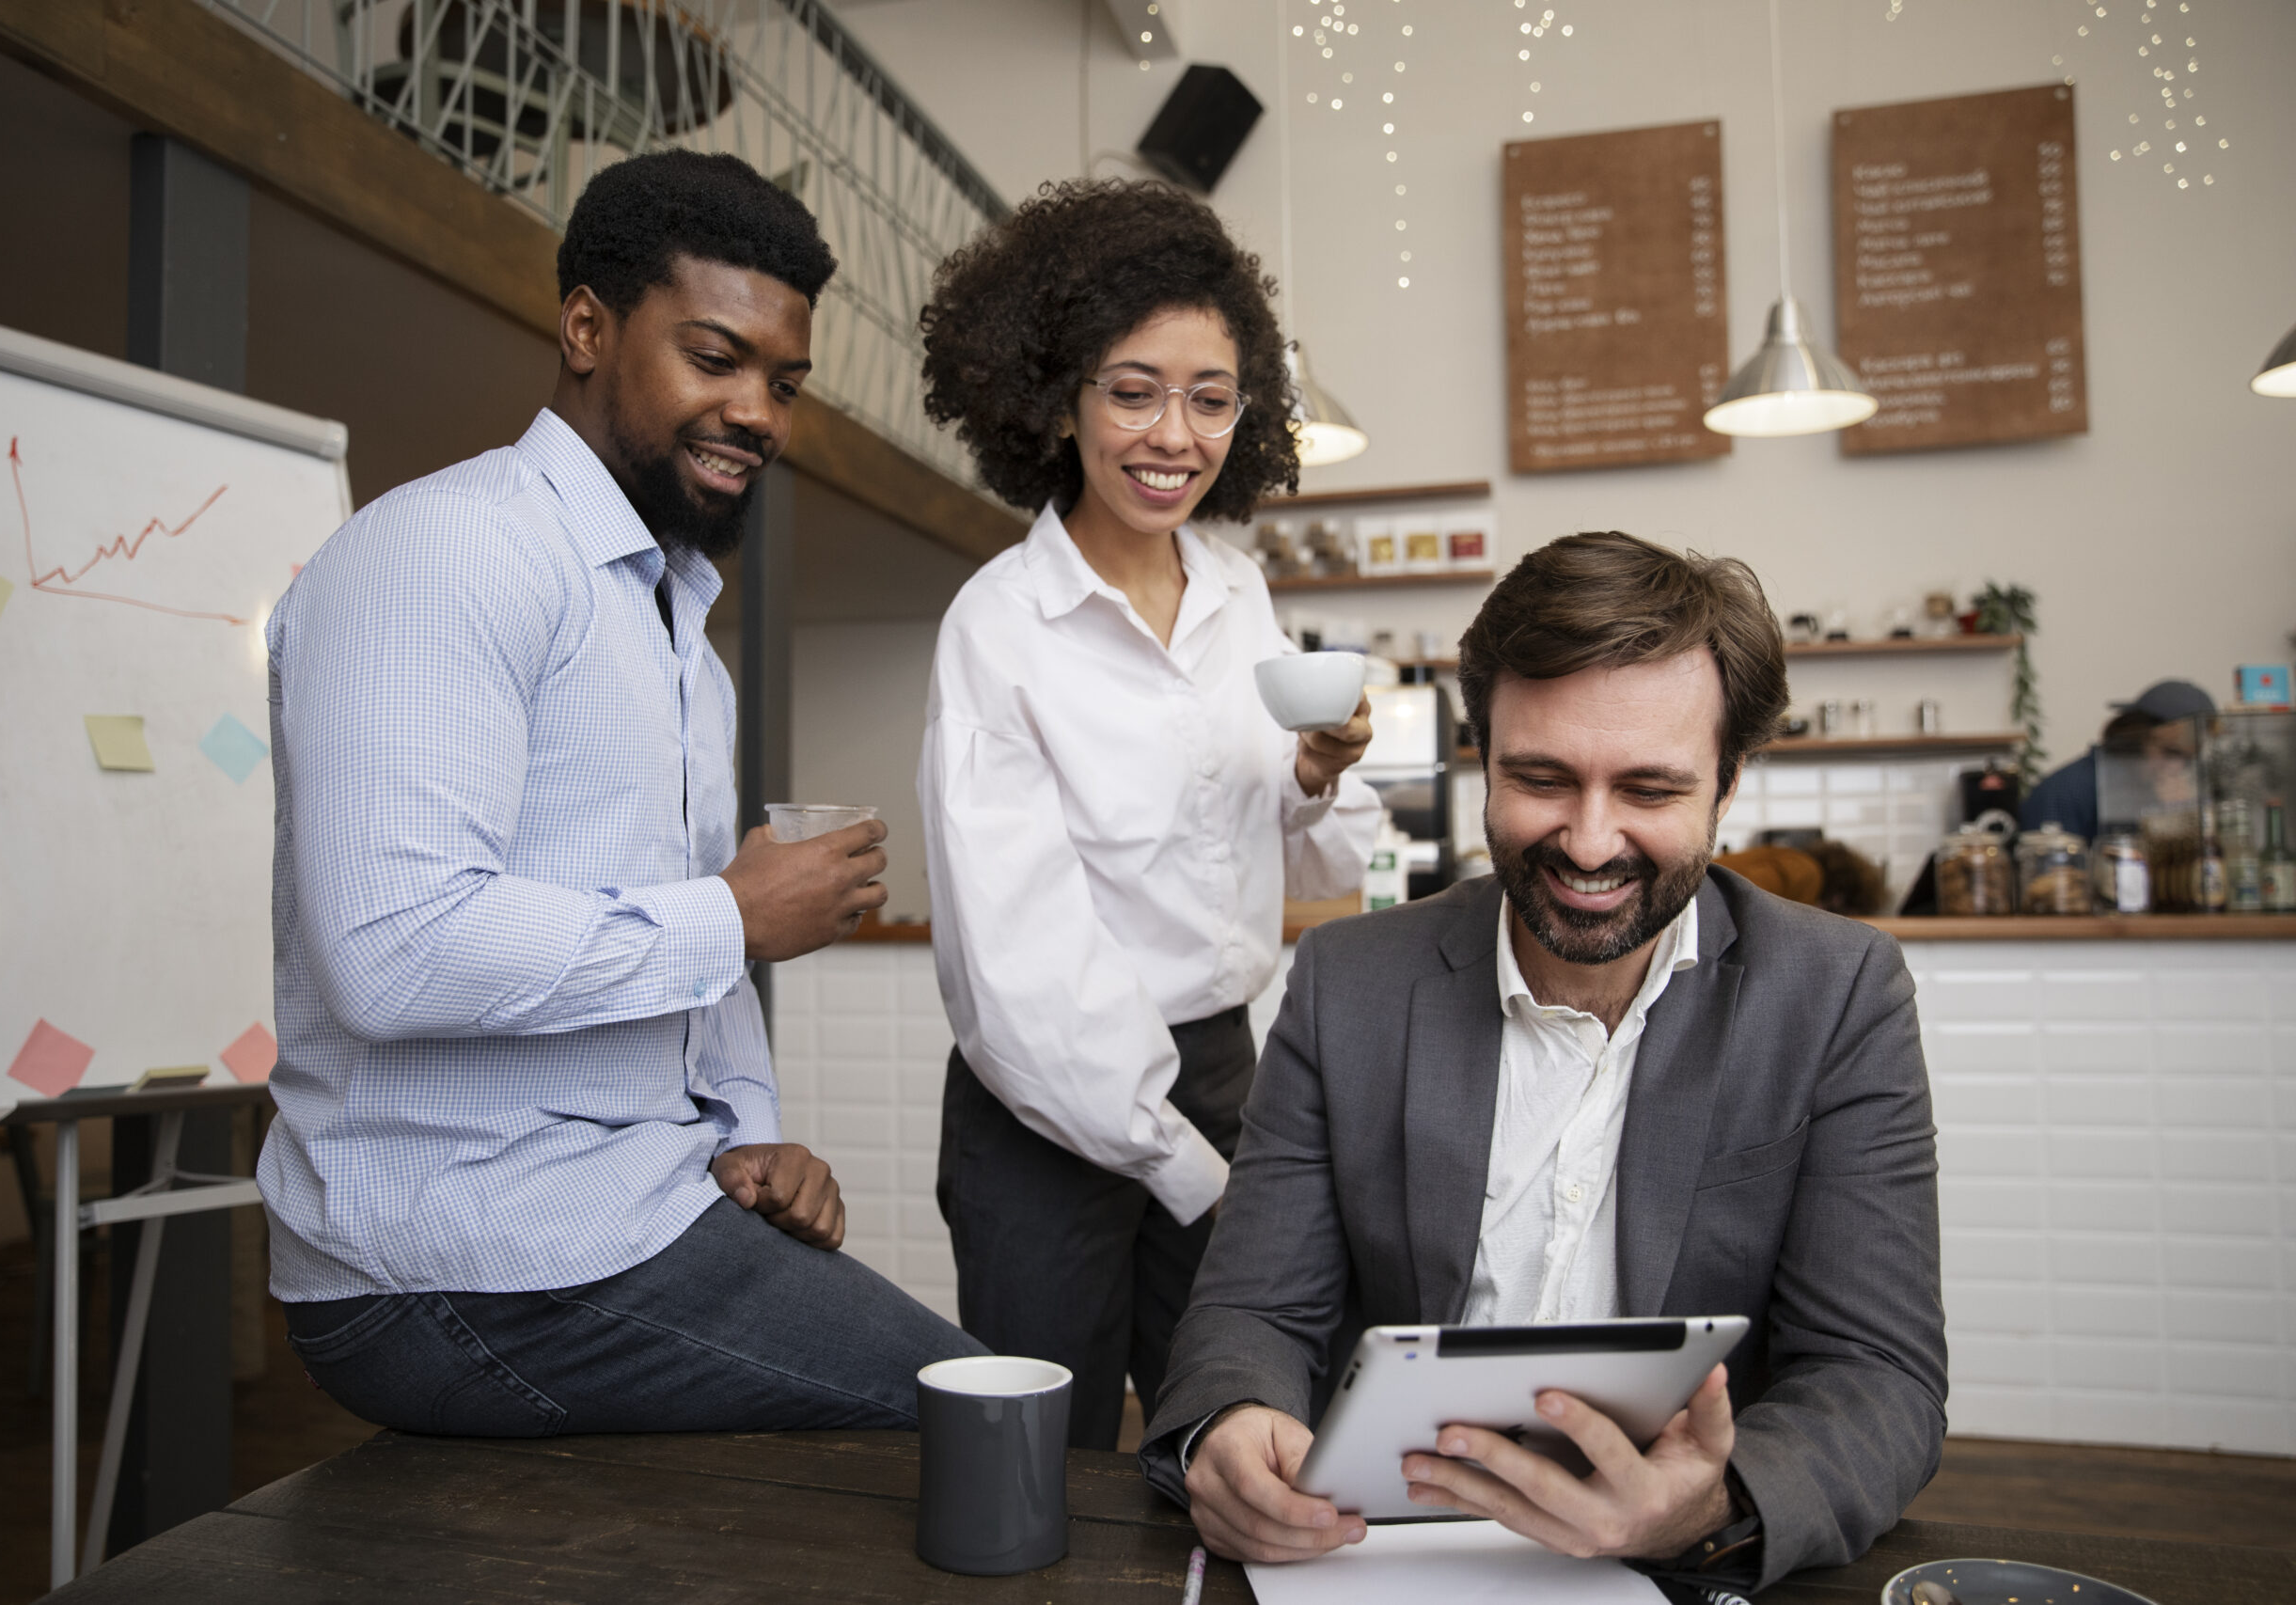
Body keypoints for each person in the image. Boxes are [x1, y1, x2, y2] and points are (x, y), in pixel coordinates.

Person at [259, 150, 982, 1436]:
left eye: (785, 383)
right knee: (979, 1420)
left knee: (975, 1409)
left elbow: (675, 945)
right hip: (455, 1258)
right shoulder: (449, 549)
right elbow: (391, 948)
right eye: (715, 358)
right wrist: (734, 916)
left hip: (627, 1207)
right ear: (587, 329)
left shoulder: (677, 635)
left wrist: (744, 1132)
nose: (758, 413)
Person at [1141, 532, 1946, 1596]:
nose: (1590, 842)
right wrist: (1231, 1424)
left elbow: (1876, 1373)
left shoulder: (1838, 993)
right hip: (1375, 1550)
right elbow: (1251, 1309)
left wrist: (1712, 1503)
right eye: (1541, 778)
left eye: (1650, 790)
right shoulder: (1348, 983)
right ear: (1482, 756)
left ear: (1728, 783)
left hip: (1675, 1568)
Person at [914, 181, 1382, 1451]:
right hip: (1045, 1106)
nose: (1174, 434)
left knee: (1234, 1430)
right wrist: (1191, 1171)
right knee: (1040, 1463)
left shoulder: (1240, 596)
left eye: (1210, 398)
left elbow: (1307, 856)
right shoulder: (1000, 626)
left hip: (1222, 1070)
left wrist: (1319, 771)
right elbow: (1023, 968)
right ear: (1056, 396)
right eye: (1133, 391)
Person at [2019, 679, 2213, 842]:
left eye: (2189, 760)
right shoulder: (2065, 792)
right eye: (2169, 753)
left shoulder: (2167, 794)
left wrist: (2180, 816)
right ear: (2135, 738)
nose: (2177, 768)